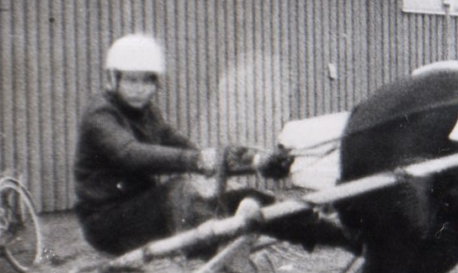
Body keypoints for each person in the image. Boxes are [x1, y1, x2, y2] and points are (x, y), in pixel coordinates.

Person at [73, 33, 356, 256]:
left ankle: (344, 238)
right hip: (107, 223)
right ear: (114, 79)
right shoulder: (100, 114)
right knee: (181, 191)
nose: (139, 89)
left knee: (251, 198)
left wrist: (256, 161)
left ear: (155, 84)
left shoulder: (149, 115)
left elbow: (191, 150)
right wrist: (196, 161)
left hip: (144, 212)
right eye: (131, 80)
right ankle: (219, 243)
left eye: (146, 82)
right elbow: (129, 154)